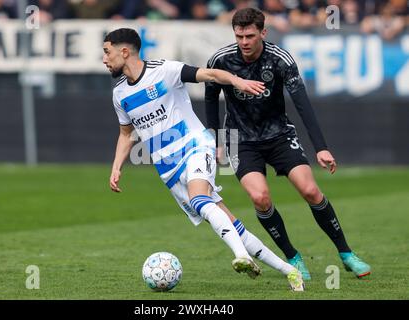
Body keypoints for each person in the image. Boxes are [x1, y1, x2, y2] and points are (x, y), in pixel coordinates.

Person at [104, 27, 304, 291]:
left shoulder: (164, 71)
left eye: (107, 52)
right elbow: (126, 134)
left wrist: (236, 81)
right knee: (229, 223)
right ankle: (290, 271)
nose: (105, 59)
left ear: (125, 51)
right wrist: (117, 166)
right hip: (168, 169)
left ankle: (241, 257)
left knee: (200, 199)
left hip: (195, 146)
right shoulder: (120, 95)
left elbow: (208, 74)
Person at [205, 8, 371, 280]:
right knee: (260, 198)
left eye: (249, 35)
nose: (244, 42)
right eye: (239, 36)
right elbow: (210, 96)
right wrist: (215, 139)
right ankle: (293, 257)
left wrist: (321, 147)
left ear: (263, 32)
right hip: (241, 139)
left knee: (310, 191)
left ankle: (346, 253)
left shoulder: (280, 60)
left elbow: (302, 105)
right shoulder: (220, 60)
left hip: (279, 135)